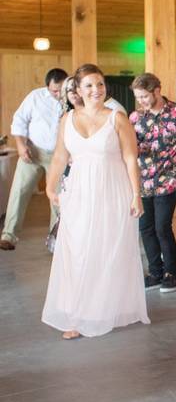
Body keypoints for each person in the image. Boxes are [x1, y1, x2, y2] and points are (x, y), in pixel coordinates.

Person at [41, 64, 148, 339]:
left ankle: (100, 309)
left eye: (100, 84)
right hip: (78, 191)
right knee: (76, 249)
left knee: (105, 248)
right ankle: (75, 313)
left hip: (112, 190)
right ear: (77, 90)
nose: (96, 90)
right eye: (89, 85)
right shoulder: (68, 119)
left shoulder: (117, 118)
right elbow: (59, 157)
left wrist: (136, 194)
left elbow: (129, 158)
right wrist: (50, 187)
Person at [130, 73, 176, 294]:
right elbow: (129, 147)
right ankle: (155, 272)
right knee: (146, 228)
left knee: (163, 226)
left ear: (156, 90)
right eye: (138, 97)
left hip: (169, 180)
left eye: (144, 96)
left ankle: (170, 273)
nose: (141, 101)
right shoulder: (135, 118)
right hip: (142, 181)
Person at [0, 68, 68, 251]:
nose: (57, 94)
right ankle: (9, 235)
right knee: (19, 191)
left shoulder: (70, 98)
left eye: (61, 90)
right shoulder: (35, 97)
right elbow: (19, 120)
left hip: (58, 155)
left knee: (57, 197)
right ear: (47, 87)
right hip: (32, 151)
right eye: (54, 90)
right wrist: (21, 146)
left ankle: (56, 240)